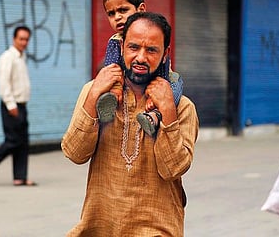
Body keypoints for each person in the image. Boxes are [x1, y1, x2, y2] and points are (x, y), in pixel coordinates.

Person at [61, 12, 199, 236]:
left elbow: (173, 169)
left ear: (165, 54)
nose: (141, 58)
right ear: (122, 46)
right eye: (134, 47)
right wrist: (94, 94)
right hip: (99, 228)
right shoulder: (96, 93)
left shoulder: (182, 107)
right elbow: (75, 153)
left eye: (151, 50)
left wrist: (168, 114)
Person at [96, 0, 183, 137]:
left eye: (123, 10)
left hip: (158, 84)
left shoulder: (156, 32)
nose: (117, 17)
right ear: (123, 46)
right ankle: (109, 105)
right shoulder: (115, 41)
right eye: (111, 13)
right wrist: (114, 90)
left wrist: (157, 96)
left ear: (141, 8)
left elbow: (163, 68)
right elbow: (110, 68)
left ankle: (154, 116)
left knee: (176, 84)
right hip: (125, 90)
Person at [0, 26, 37, 186]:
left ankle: (20, 177)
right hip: (11, 105)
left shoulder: (20, 57)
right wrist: (10, 104)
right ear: (14, 39)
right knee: (13, 140)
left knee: (23, 142)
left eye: (26, 39)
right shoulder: (7, 57)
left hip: (21, 104)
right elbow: (4, 83)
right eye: (21, 39)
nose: (24, 42)